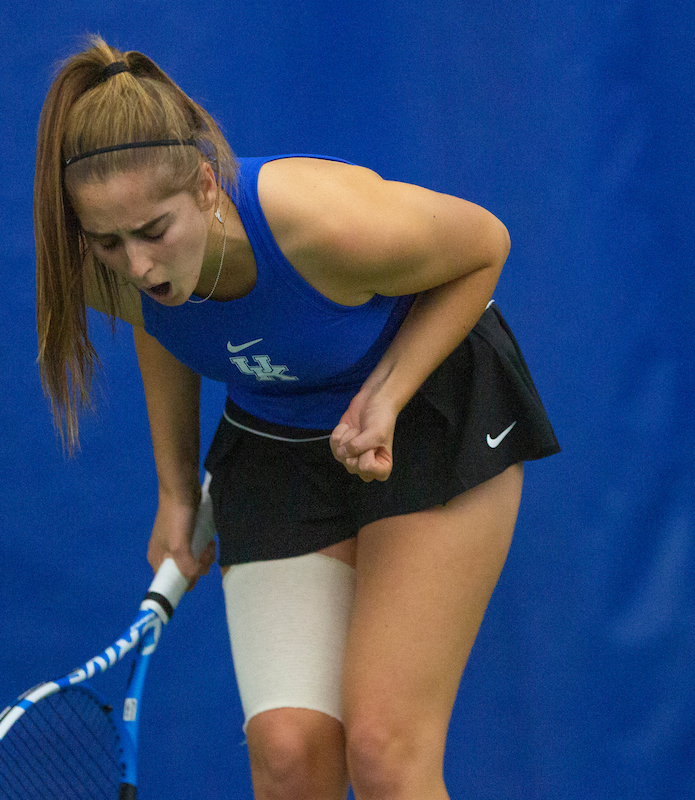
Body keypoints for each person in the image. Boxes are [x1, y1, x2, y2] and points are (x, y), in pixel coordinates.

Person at [33, 36, 559, 800]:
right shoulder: (103, 275)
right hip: (273, 442)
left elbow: (486, 248)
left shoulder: (321, 222)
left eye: (155, 231)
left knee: (383, 750)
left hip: (430, 407)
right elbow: (164, 327)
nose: (138, 264)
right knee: (288, 756)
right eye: (110, 241)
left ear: (208, 188)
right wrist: (176, 490)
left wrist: (385, 396)